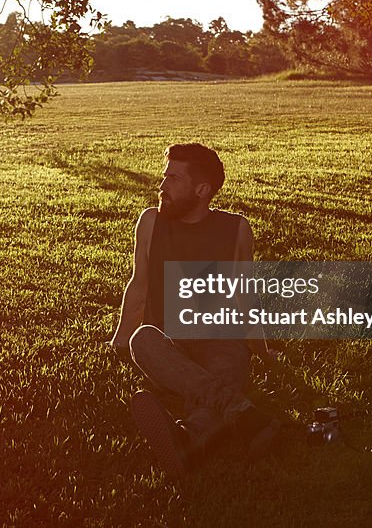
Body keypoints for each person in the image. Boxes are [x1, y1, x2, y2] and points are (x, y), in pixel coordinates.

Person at [108, 143, 281, 477]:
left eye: (173, 178)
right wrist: (118, 340)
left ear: (202, 190)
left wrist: (260, 351)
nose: (162, 186)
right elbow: (138, 284)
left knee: (223, 369)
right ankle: (245, 415)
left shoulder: (236, 229)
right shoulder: (150, 223)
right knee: (142, 339)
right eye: (164, 176)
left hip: (221, 340)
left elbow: (246, 298)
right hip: (169, 342)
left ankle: (188, 439)